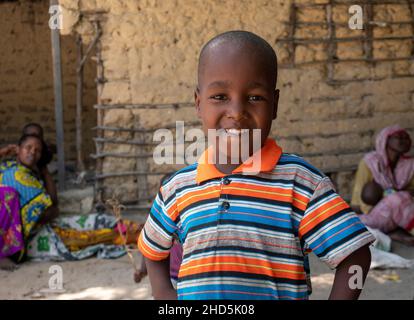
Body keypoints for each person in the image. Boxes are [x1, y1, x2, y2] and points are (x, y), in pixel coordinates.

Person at [138, 31, 374, 300]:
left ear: (274, 105)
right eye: (219, 97)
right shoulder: (177, 188)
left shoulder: (301, 183)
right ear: (198, 103)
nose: (237, 111)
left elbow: (355, 255)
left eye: (254, 98)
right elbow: (152, 248)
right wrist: (163, 292)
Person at [351, 125, 414, 245]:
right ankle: (392, 233)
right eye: (398, 137)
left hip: (403, 209)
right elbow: (356, 204)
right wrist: (387, 203)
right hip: (375, 212)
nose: (403, 141)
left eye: (407, 138)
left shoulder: (410, 164)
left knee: (401, 200)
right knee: (352, 225)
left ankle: (390, 232)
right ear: (386, 139)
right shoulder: (370, 162)